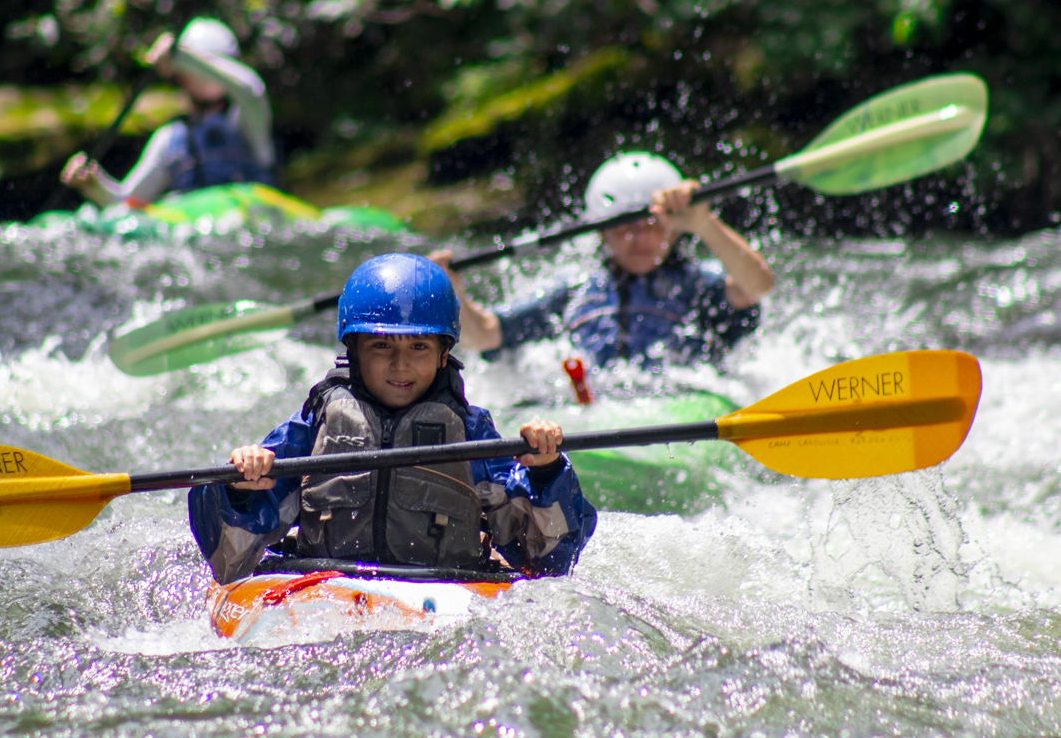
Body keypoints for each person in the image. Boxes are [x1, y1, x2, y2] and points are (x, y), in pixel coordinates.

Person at [188, 253, 598, 585]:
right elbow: (230, 556)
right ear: (354, 350)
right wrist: (241, 486)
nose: (400, 365)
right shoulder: (315, 423)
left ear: (443, 355)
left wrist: (545, 471)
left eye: (419, 346)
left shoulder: (472, 433)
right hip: (323, 589)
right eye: (381, 345)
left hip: (441, 591)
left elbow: (548, 558)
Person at [432, 152, 775, 369]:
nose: (638, 238)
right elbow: (486, 336)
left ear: (673, 229)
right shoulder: (575, 289)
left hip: (688, 398)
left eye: (650, 224)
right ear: (601, 233)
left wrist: (703, 224)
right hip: (598, 409)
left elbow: (758, 286)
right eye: (623, 226)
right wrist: (452, 292)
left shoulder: (701, 282)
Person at [60, 17, 276, 207]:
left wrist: (182, 57)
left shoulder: (245, 123)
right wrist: (95, 185)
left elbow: (250, 91)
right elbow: (127, 203)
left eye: (210, 64)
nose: (201, 74)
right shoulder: (171, 137)